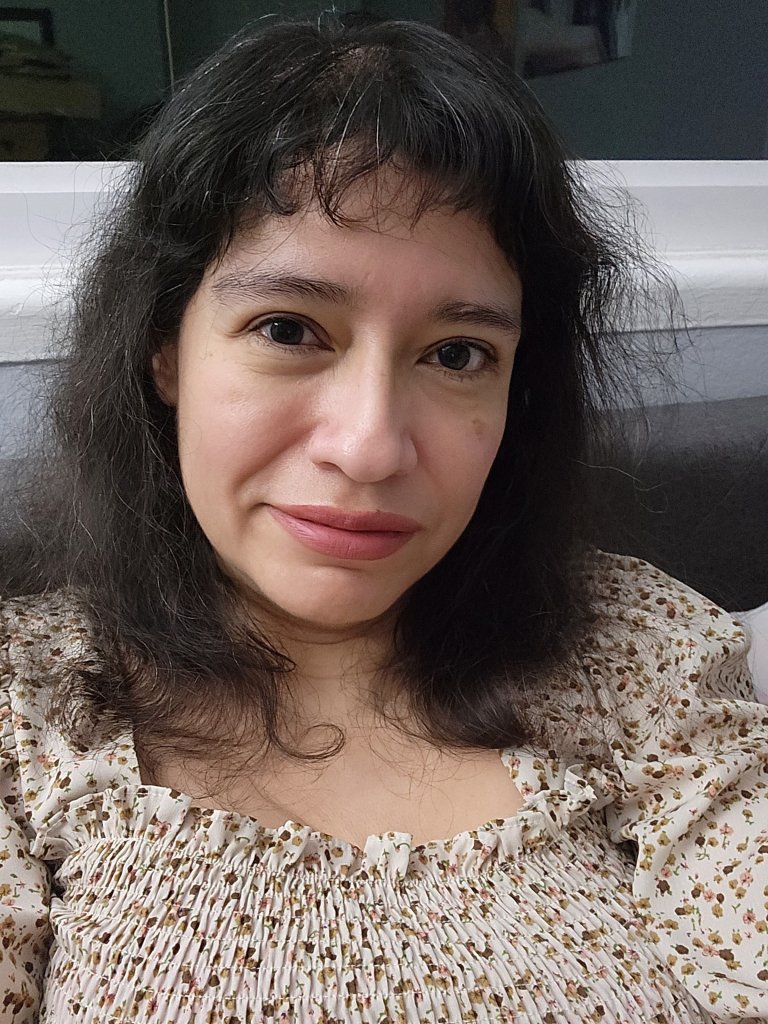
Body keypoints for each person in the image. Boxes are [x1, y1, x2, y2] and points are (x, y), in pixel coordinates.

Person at [0, 14, 765, 1024]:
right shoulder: (26, 706)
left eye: (456, 354)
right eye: (288, 329)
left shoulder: (642, 654)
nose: (369, 448)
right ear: (166, 350)